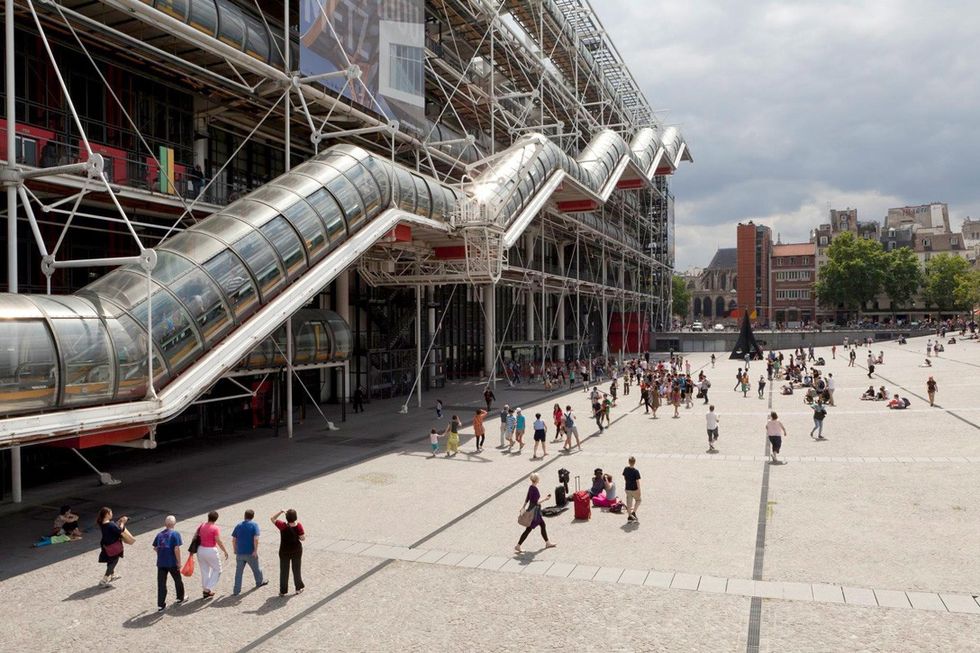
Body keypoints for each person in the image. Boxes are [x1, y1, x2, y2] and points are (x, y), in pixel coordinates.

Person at [515, 474, 555, 553]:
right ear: (536, 480)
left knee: (541, 525)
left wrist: (523, 507)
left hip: (532, 511)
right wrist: (546, 498)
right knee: (529, 529)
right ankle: (518, 545)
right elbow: (537, 502)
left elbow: (527, 498)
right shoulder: (535, 489)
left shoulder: (530, 487)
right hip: (535, 513)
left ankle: (547, 542)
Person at [232, 510, 268, 596]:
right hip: (250, 553)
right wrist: (255, 550)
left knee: (238, 573)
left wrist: (235, 549)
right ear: (252, 516)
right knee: (256, 569)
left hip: (240, 553)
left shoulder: (238, 525)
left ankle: (236, 590)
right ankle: (259, 582)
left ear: (244, 516)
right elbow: (256, 539)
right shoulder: (254, 525)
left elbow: (234, 539)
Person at [153, 515, 185, 610]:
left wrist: (161, 553)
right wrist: (179, 562)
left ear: (165, 524)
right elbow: (176, 549)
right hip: (171, 562)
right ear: (174, 524)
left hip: (161, 563)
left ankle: (161, 604)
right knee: (177, 580)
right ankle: (180, 597)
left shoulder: (159, 535)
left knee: (161, 583)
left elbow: (155, 547)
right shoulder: (175, 534)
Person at [271, 509, 305, 595]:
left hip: (284, 551)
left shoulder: (282, 525)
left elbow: (272, 518)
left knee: (284, 571)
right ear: (295, 517)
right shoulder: (299, 526)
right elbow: (302, 538)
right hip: (296, 551)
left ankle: (283, 591)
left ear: (286, 517)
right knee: (296, 570)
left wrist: (280, 512)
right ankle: (298, 588)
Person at [196, 511, 229, 599]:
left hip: (200, 550)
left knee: (204, 571)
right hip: (210, 550)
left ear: (208, 517)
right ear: (216, 519)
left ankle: (206, 591)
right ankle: (207, 589)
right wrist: (225, 551)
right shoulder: (215, 528)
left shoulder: (201, 525)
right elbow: (218, 541)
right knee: (218, 569)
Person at [97, 507, 128, 587]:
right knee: (114, 561)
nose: (112, 514)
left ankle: (113, 575)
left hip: (106, 545)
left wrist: (117, 523)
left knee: (110, 560)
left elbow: (113, 528)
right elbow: (119, 531)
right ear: (107, 514)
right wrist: (122, 523)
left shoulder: (102, 523)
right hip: (113, 545)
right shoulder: (110, 524)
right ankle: (104, 579)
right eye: (111, 512)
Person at [622, 456, 642, 522]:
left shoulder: (625, 469)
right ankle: (634, 512)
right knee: (638, 500)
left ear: (628, 462)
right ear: (634, 462)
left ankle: (629, 516)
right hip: (634, 489)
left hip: (627, 488)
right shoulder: (636, 471)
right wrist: (639, 490)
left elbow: (624, 477)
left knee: (629, 503)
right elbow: (637, 481)